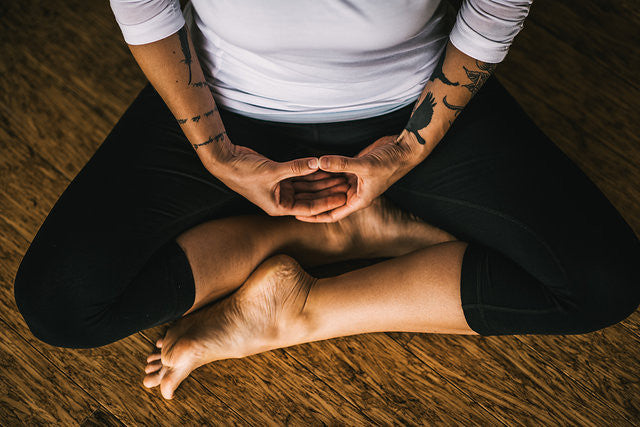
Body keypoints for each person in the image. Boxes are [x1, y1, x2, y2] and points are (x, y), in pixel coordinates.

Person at [12, 0, 640, 401]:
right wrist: (216, 151)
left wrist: (410, 148)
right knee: (63, 305)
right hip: (227, 105)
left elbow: (497, 4)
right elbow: (146, 8)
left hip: (408, 108)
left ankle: (301, 308)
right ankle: (336, 235)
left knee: (601, 282)